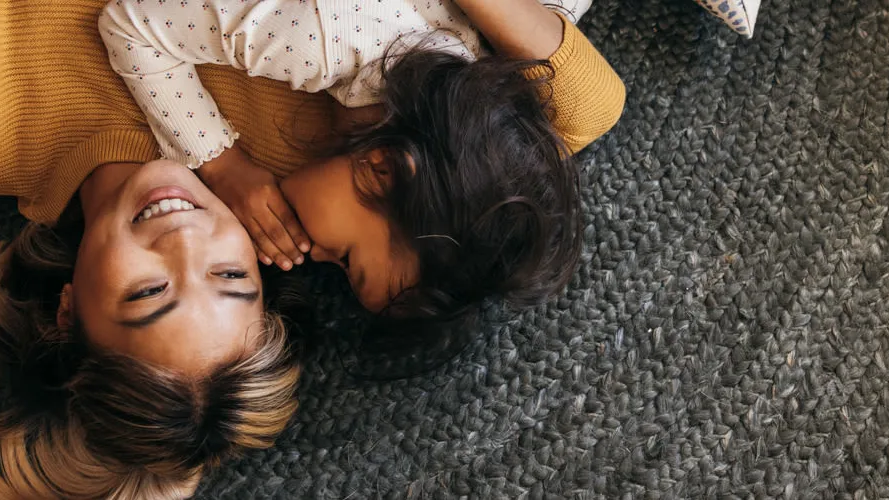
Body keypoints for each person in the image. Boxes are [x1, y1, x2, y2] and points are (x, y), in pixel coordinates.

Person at [0, 0, 623, 496]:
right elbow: (583, 111)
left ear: (64, 311)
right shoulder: (323, 149)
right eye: (230, 277)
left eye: (148, 292)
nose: (184, 241)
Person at [98, 0, 599, 373]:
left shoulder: (486, 70)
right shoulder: (324, 38)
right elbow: (129, 27)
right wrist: (222, 161)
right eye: (346, 259)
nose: (313, 253)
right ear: (382, 170)